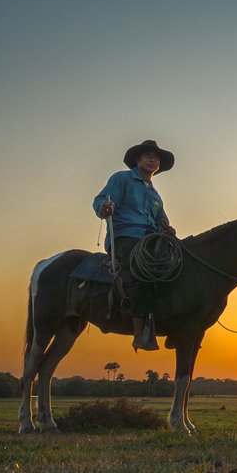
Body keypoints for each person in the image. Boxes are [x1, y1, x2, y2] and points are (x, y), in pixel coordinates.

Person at [93, 140, 177, 351]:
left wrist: (167, 229)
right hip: (125, 237)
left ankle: (176, 324)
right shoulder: (121, 179)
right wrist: (104, 208)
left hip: (150, 241)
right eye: (148, 155)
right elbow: (101, 201)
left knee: (179, 262)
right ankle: (140, 332)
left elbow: (161, 220)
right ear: (137, 160)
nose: (153, 159)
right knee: (145, 266)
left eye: (156, 157)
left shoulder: (155, 195)